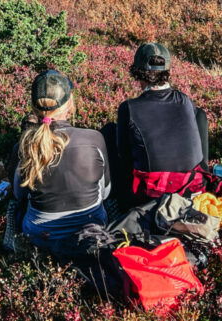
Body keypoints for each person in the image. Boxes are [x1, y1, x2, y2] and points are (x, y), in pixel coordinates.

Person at [13, 69, 111, 254]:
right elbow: (105, 192)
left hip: (40, 236)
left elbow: (19, 195)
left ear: (34, 107)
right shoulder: (94, 139)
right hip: (91, 229)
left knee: (15, 207)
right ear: (69, 105)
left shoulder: (25, 146)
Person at [115, 43, 209, 205]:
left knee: (111, 132)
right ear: (167, 71)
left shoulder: (128, 108)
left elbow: (123, 156)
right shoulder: (185, 101)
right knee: (200, 115)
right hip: (192, 189)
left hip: (151, 196)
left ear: (137, 73)